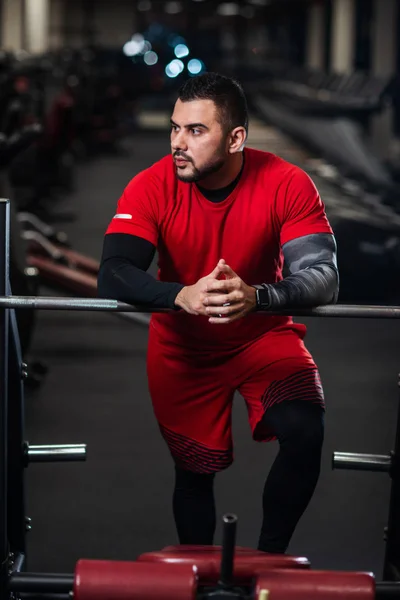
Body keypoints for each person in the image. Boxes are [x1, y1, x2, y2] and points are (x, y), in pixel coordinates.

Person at [97, 72, 339, 554]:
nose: (177, 143)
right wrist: (179, 296)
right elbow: (115, 271)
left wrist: (259, 297)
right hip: (182, 349)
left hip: (260, 337)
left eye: (195, 131)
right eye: (174, 128)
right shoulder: (151, 187)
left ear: (236, 138)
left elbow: (324, 276)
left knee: (304, 430)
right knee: (193, 473)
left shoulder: (287, 183)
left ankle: (268, 562)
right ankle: (200, 575)